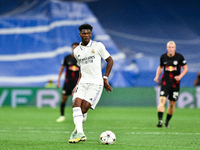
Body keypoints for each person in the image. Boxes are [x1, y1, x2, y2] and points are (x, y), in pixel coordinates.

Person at [68, 24, 113, 143]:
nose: (86, 35)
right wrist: (77, 85)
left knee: (83, 110)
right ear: (80, 34)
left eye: (88, 33)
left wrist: (105, 78)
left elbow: (110, 60)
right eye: (84, 33)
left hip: (96, 83)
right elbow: (81, 69)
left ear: (91, 34)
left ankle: (75, 132)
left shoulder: (98, 46)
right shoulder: (76, 51)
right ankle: (81, 134)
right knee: (76, 104)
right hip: (83, 82)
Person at [154, 41, 188, 128]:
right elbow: (160, 67)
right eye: (169, 47)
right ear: (167, 48)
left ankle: (166, 122)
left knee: (172, 104)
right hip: (165, 83)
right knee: (162, 100)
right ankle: (160, 121)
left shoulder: (179, 57)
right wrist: (157, 76)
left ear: (175, 48)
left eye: (172, 47)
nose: (170, 49)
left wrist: (180, 76)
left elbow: (185, 68)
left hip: (175, 84)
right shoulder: (163, 57)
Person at [56, 42, 80, 122]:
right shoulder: (67, 58)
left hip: (77, 83)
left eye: (77, 47)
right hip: (67, 82)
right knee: (64, 99)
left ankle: (77, 117)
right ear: (72, 48)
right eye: (74, 47)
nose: (75, 49)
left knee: (77, 101)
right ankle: (62, 116)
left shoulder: (81, 59)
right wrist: (58, 80)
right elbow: (62, 69)